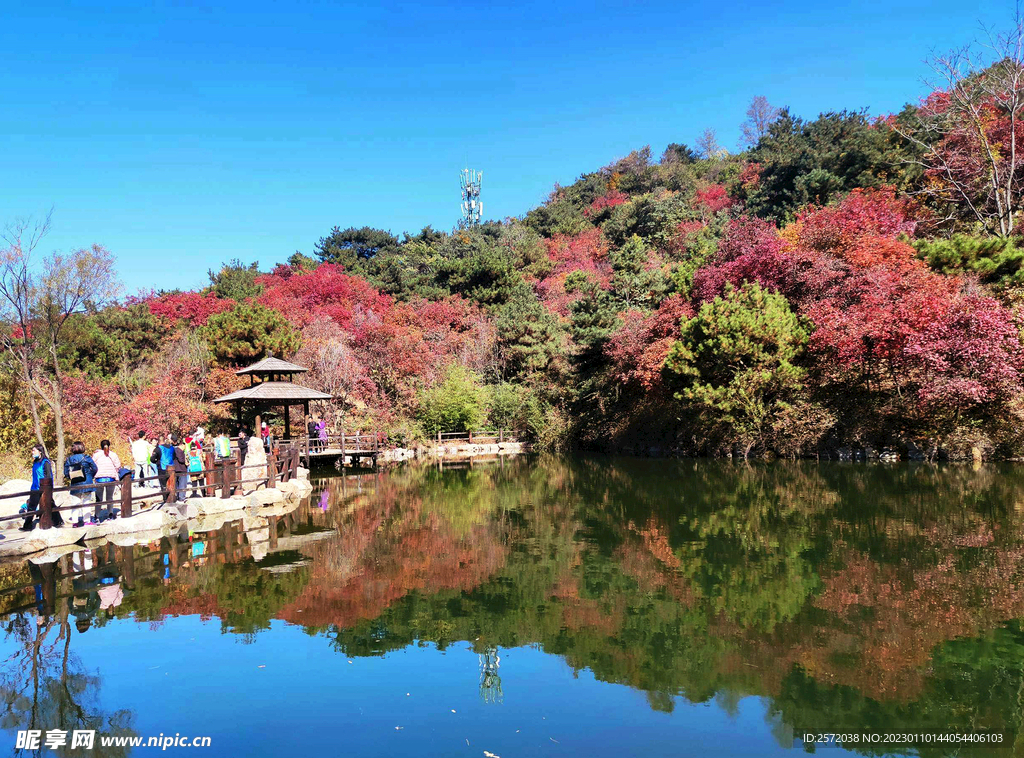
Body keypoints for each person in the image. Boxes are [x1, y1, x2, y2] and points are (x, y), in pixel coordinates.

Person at [21, 444, 63, 530]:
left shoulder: (45, 462)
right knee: (31, 506)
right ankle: (27, 526)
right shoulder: (35, 462)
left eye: (34, 450)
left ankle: (58, 521)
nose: (32, 452)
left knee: (50, 504)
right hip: (35, 487)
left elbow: (48, 475)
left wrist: (48, 487)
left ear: (40, 451)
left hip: (44, 487)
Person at [92, 440, 121, 522]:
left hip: (99, 478)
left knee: (98, 498)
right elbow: (118, 465)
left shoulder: (96, 455)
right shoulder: (113, 455)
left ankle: (96, 516)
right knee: (109, 497)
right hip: (111, 478)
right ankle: (110, 514)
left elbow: (92, 465)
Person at [64, 440, 97, 505]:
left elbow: (66, 472)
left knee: (75, 503)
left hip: (75, 482)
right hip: (87, 482)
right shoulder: (86, 457)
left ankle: (75, 515)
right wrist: (90, 476)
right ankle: (86, 515)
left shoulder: (69, 459)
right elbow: (95, 468)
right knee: (86, 502)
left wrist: (72, 477)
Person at [171, 433, 189, 503]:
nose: (185, 448)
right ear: (182, 445)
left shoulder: (173, 449)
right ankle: (181, 497)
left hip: (176, 468)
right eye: (184, 446)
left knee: (178, 484)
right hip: (181, 469)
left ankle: (178, 496)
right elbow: (181, 460)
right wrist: (186, 462)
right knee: (182, 483)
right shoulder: (179, 451)